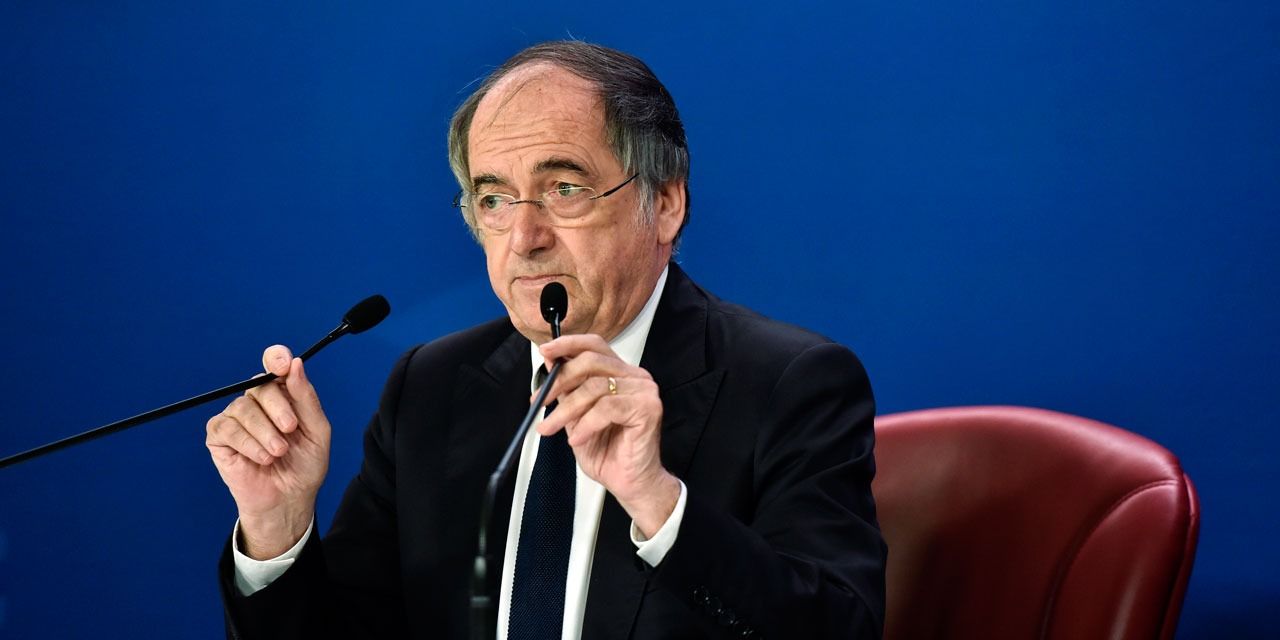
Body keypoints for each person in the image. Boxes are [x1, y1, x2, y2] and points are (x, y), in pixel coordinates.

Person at [206, 41, 886, 639]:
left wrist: (656, 501)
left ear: (665, 203)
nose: (525, 239)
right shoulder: (432, 387)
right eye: (494, 200)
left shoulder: (790, 383)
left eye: (563, 189)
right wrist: (277, 528)